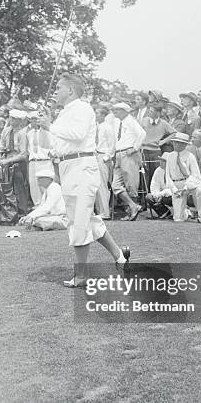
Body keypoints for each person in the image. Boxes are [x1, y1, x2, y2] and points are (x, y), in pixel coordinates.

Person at [49, 73, 130, 287]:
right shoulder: (64, 112)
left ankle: (83, 275)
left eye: (58, 88)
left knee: (79, 220)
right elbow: (61, 141)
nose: (55, 92)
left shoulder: (83, 108)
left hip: (81, 167)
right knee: (88, 218)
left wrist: (49, 125)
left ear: (70, 90)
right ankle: (120, 256)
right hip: (68, 167)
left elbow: (76, 134)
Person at [165, 132, 201, 224]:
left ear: (184, 145)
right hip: (176, 185)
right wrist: (174, 189)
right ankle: (187, 213)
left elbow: (196, 176)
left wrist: (185, 188)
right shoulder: (170, 156)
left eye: (178, 143)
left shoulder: (190, 156)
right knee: (178, 219)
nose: (175, 144)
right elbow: (167, 175)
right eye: (174, 142)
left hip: (189, 184)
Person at [111, 102, 146, 221]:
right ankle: (133, 206)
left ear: (125, 111)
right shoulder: (117, 123)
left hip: (128, 153)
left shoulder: (131, 121)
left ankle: (131, 211)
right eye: (114, 109)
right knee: (116, 185)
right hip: (119, 153)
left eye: (118, 109)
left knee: (131, 183)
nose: (115, 111)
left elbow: (142, 134)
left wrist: (135, 148)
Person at [0, 109, 30, 217]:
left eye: (13, 118)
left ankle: (22, 213)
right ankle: (8, 213)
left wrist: (9, 160)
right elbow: (2, 146)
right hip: (6, 163)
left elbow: (23, 153)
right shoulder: (6, 131)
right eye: (10, 118)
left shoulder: (23, 133)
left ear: (19, 120)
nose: (10, 120)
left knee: (20, 188)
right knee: (6, 188)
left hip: (19, 163)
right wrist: (2, 157)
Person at [141, 102, 175, 185]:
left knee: (156, 174)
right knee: (144, 175)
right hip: (143, 151)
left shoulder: (163, 123)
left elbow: (174, 133)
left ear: (158, 113)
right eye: (149, 110)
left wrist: (164, 141)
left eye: (152, 111)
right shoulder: (143, 121)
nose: (149, 112)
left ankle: (156, 194)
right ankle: (145, 196)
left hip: (156, 151)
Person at [26, 111, 54, 206]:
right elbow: (29, 149)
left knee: (45, 184)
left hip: (44, 161)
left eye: (37, 119)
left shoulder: (48, 132)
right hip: (33, 161)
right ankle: (37, 205)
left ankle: (47, 205)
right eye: (33, 119)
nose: (36, 121)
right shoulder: (29, 134)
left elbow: (52, 146)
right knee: (34, 185)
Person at [95, 106, 116, 219]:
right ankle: (100, 211)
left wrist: (107, 157)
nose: (96, 115)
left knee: (103, 184)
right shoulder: (96, 127)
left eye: (97, 113)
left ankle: (105, 212)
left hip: (103, 156)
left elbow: (112, 144)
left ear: (103, 115)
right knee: (96, 184)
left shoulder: (108, 127)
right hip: (96, 155)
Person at [145, 154, 173, 218]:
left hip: (171, 196)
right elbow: (154, 185)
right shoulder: (158, 170)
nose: (161, 162)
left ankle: (181, 212)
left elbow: (174, 188)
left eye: (163, 161)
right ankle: (165, 212)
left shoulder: (174, 171)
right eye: (160, 160)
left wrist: (161, 194)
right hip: (161, 196)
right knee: (149, 197)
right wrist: (156, 195)